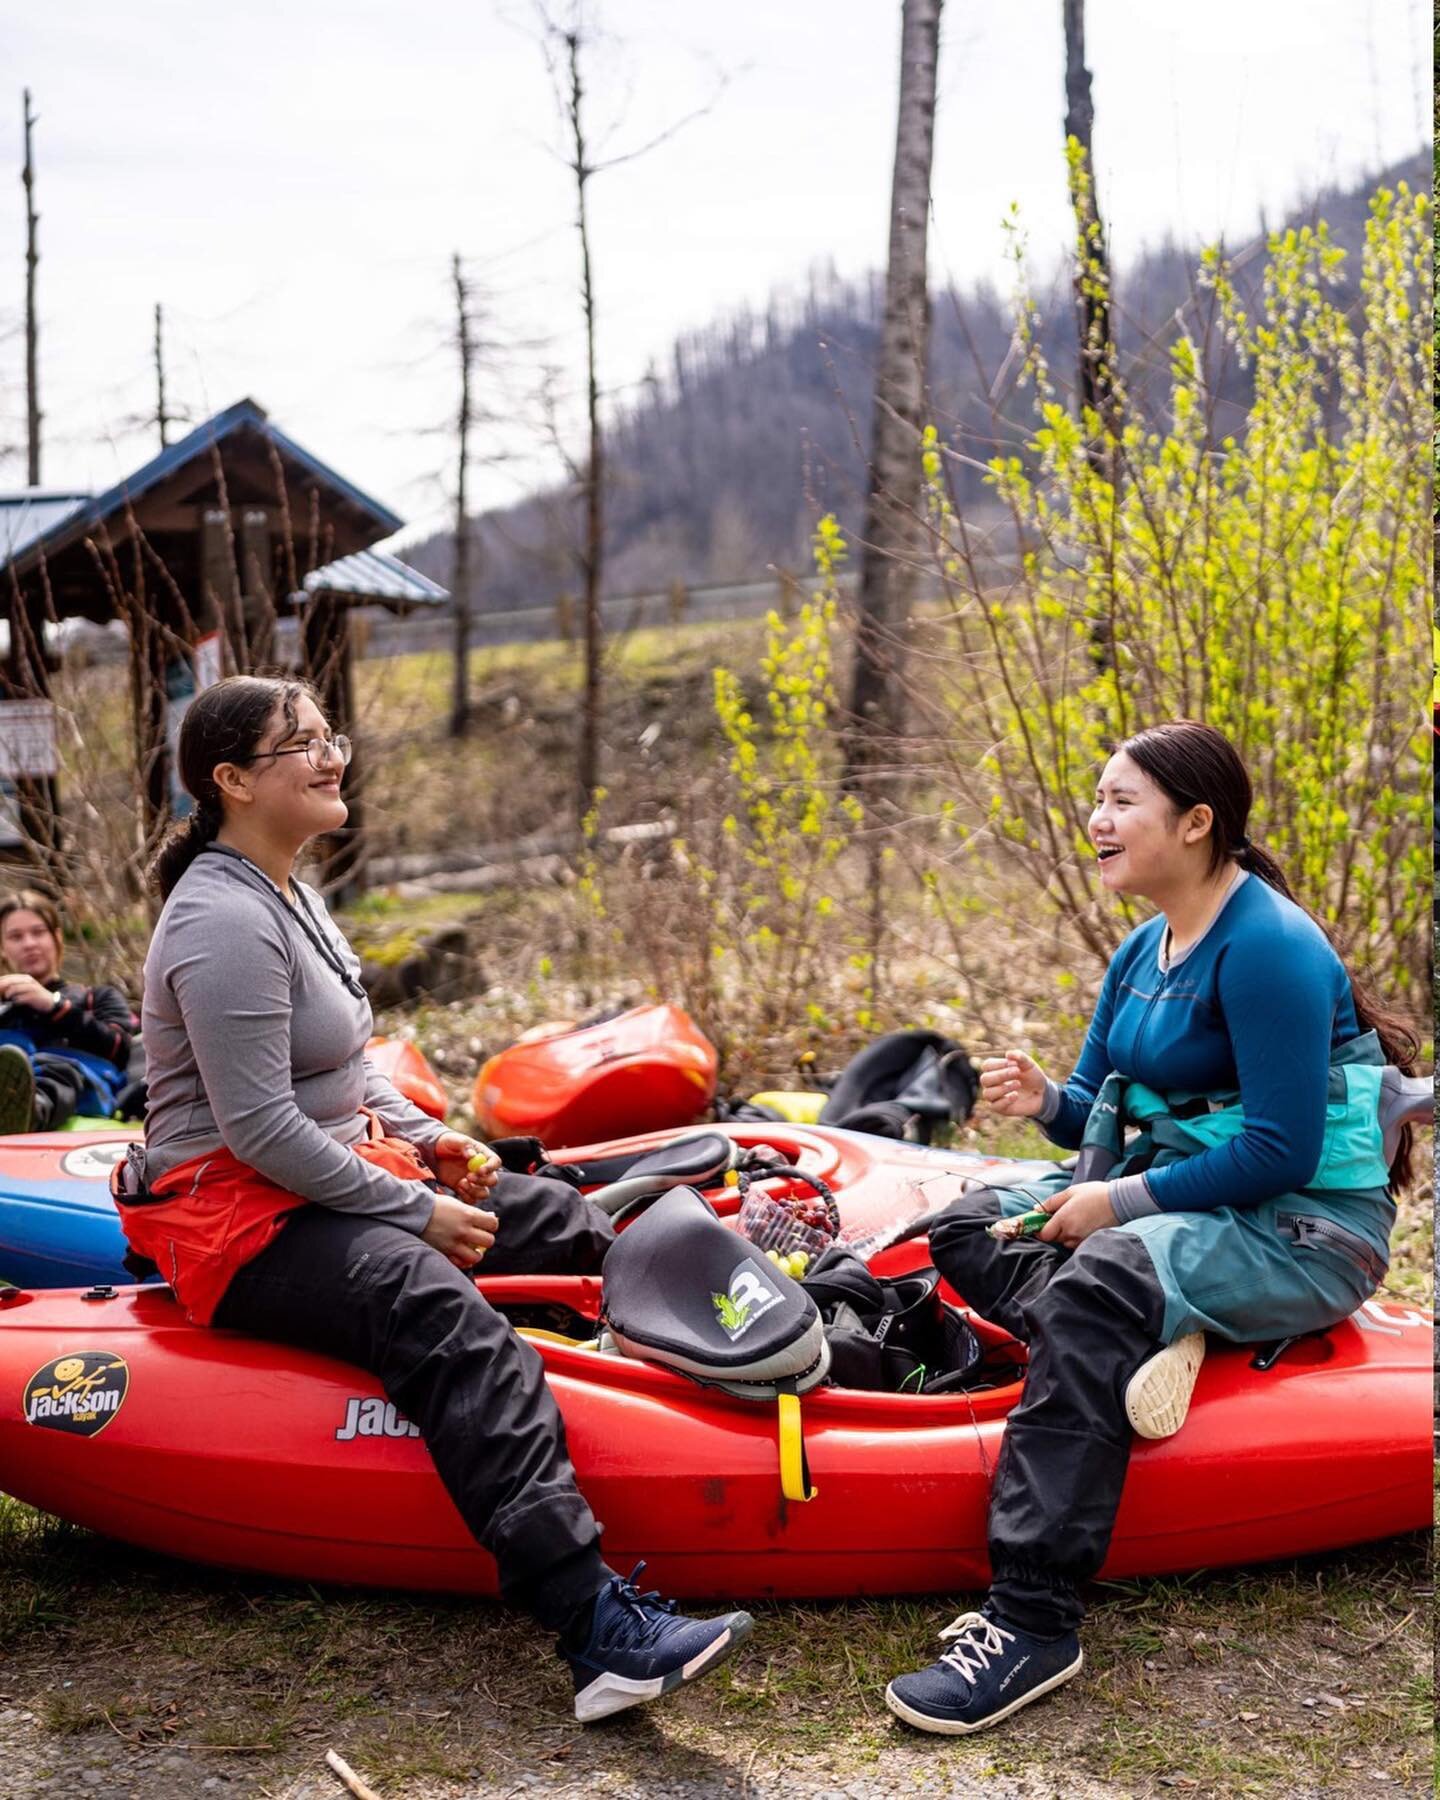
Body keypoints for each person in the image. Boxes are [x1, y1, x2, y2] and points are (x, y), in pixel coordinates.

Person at [114, 674, 752, 1724]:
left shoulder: (290, 890)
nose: (330, 759)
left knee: (552, 1215)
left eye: (331, 739)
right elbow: (258, 1129)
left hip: (320, 1176)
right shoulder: (217, 922)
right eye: (300, 747)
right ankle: (596, 1628)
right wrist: (412, 1212)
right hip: (236, 1215)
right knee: (438, 1313)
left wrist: (433, 1140)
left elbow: (347, 1074)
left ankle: (734, 1383)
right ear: (230, 782)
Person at [885, 720, 1420, 1736]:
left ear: (1198, 821)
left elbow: (1281, 1153)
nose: (1097, 819)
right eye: (1099, 799)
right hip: (1182, 1197)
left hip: (1302, 1228)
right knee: (966, 1228)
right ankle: (1148, 1329)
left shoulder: (1268, 948)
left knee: (1096, 1277)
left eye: (1122, 801)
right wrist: (1048, 1100)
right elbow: (1093, 1104)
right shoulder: (1142, 946)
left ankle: (1033, 1622)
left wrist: (1115, 1209)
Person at [0, 889, 139, 1132]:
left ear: (57, 937)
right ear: (2, 948)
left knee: (57, 1068)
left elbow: (120, 1049)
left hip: (79, 1082)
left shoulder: (95, 997)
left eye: (38, 932)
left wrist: (53, 1006)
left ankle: (28, 1111)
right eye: (16, 936)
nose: (29, 944)